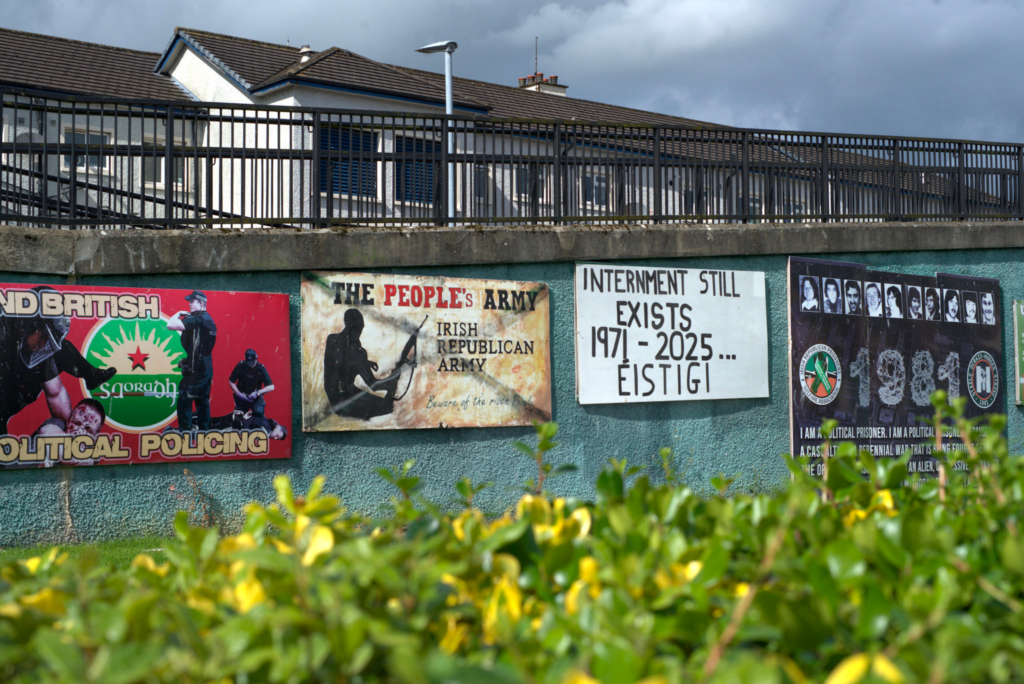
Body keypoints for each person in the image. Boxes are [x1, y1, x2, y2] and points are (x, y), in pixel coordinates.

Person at [0, 294, 115, 434]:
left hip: (15, 399)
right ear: (30, 325)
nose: (42, 344)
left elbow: (55, 393)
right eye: (42, 337)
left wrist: (70, 430)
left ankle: (92, 375)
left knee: (62, 349)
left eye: (47, 340)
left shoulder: (38, 350)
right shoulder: (7, 335)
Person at [323, 309, 420, 421]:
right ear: (358, 328)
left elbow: (343, 362)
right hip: (344, 404)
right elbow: (373, 385)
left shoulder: (332, 340)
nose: (360, 332)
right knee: (388, 406)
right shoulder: (358, 354)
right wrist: (394, 377)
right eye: (360, 328)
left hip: (333, 398)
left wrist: (366, 363)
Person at [168, 290, 217, 431]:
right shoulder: (209, 319)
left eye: (192, 301)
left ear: (201, 303)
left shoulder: (196, 318)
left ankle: (185, 436)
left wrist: (179, 313)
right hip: (206, 369)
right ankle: (205, 435)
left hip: (195, 372)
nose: (189, 304)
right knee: (203, 403)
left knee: (185, 402)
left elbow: (170, 325)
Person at [228, 349, 274, 418]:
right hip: (242, 396)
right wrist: (238, 393)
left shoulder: (261, 368)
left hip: (255, 397)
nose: (250, 364)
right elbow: (231, 381)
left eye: (252, 362)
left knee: (258, 413)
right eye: (249, 362)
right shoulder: (241, 365)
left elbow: (271, 386)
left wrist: (258, 393)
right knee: (237, 417)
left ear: (256, 358)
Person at [35, 398, 105, 438]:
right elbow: (46, 431)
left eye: (87, 429)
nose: (78, 431)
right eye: (76, 423)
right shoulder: (57, 424)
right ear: (69, 420)